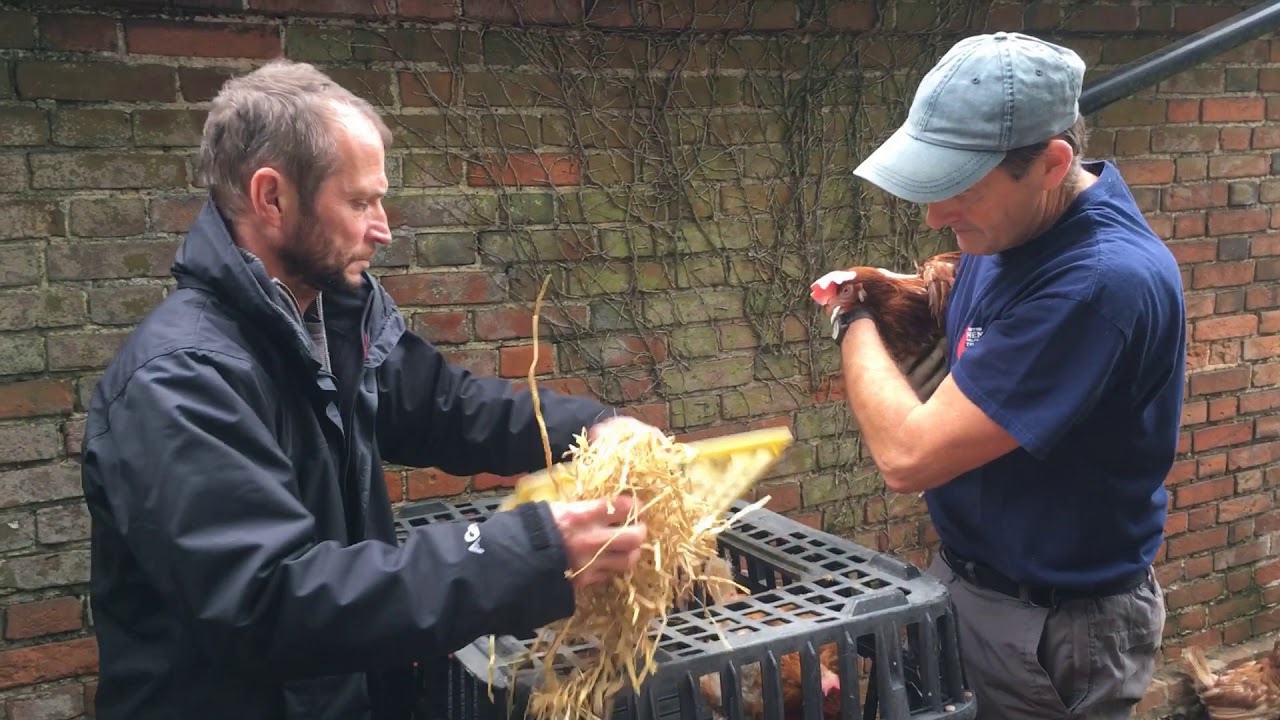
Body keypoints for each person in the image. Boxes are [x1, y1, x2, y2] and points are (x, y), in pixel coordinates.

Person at [80, 58, 654, 720]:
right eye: (359, 202)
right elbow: (270, 600)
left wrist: (595, 428)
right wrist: (527, 552)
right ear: (272, 198)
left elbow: (449, 408)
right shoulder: (180, 380)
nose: (382, 228)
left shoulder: (333, 318)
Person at [836, 32, 1184, 719]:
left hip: (1050, 627)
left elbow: (907, 456)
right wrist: (903, 295)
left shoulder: (1098, 283)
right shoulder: (1017, 229)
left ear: (1052, 163)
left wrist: (853, 321)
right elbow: (987, 327)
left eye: (962, 189)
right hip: (973, 583)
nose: (935, 215)